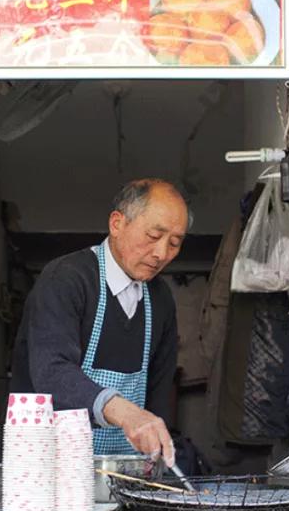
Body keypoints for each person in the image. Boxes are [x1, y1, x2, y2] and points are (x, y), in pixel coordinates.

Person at [10, 179, 187, 465]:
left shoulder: (160, 298)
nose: (161, 254)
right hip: (44, 470)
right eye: (154, 236)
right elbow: (51, 371)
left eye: (175, 243)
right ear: (117, 224)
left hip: (122, 473)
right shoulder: (66, 279)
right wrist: (124, 413)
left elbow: (160, 391)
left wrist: (156, 461)